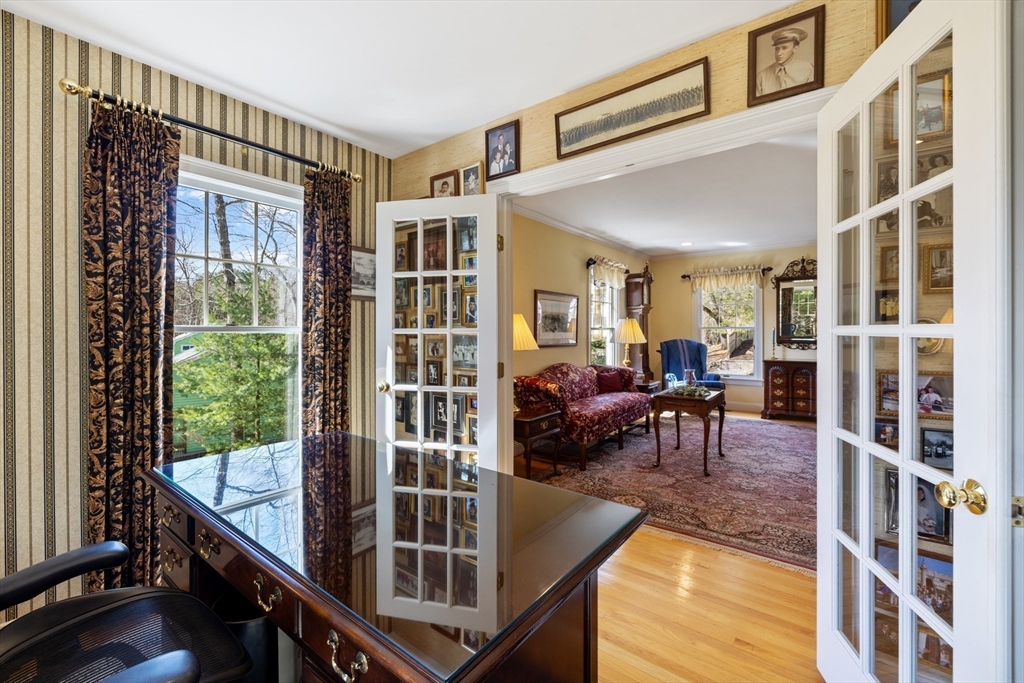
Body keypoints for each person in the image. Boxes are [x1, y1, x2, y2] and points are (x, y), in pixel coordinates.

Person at [755, 27, 814, 97]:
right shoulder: (761, 76)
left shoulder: (807, 69)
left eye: (784, 48)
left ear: (795, 48)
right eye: (777, 49)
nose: (779, 53)